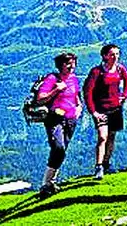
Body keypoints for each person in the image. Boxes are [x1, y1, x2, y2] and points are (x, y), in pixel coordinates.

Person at [34, 52, 81, 197]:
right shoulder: (52, 79)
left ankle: (50, 183)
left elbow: (76, 95)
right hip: (55, 119)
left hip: (71, 118)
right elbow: (40, 99)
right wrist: (56, 89)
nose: (71, 67)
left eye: (73, 63)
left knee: (62, 150)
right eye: (68, 64)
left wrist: (79, 107)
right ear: (61, 65)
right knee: (58, 148)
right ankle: (46, 183)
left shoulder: (73, 79)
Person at [83, 43, 127, 180]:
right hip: (101, 109)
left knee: (111, 137)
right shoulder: (97, 72)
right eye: (112, 54)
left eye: (117, 54)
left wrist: (124, 95)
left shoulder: (120, 69)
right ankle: (98, 166)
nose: (115, 57)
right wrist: (93, 112)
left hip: (115, 108)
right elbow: (88, 92)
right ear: (104, 56)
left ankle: (106, 164)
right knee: (102, 137)